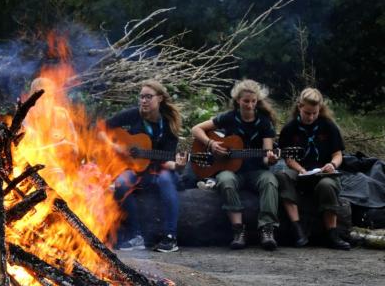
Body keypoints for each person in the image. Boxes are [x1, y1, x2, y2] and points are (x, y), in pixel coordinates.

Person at [191, 79, 280, 250]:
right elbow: (196, 129)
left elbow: (266, 154)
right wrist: (211, 144)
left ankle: (267, 229)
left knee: (270, 181)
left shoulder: (264, 123)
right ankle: (238, 230)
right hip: (232, 170)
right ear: (238, 100)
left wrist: (270, 159)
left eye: (253, 101)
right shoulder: (229, 117)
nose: (249, 105)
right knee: (225, 180)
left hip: (256, 171)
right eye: (246, 101)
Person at [104, 80, 186, 253]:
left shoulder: (169, 125)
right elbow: (102, 127)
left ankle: (170, 237)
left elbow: (168, 160)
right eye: (141, 97)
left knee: (165, 179)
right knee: (121, 182)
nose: (143, 101)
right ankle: (136, 235)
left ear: (160, 99)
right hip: (136, 169)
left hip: (159, 169)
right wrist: (117, 148)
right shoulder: (134, 115)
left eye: (148, 97)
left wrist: (178, 165)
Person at [276, 88, 350, 250]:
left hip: (323, 172)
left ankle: (332, 233)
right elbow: (288, 158)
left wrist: (332, 165)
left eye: (314, 113)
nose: (310, 117)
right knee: (282, 176)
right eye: (307, 113)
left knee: (327, 185)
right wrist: (300, 169)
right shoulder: (290, 128)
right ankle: (298, 229)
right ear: (299, 106)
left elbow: (338, 154)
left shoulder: (328, 126)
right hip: (300, 171)